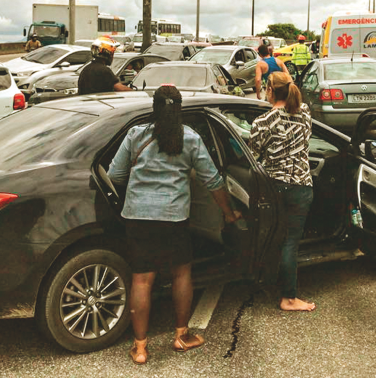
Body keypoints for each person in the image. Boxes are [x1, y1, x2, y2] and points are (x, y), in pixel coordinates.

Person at [109, 85, 241, 365]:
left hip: (138, 217)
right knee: (182, 274)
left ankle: (141, 348)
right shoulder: (190, 138)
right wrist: (229, 214)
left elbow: (115, 174)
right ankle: (182, 336)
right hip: (174, 218)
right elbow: (214, 181)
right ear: (179, 109)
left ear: (154, 108)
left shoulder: (136, 135)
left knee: (142, 280)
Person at [249, 72, 316, 312]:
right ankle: (288, 297)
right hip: (301, 186)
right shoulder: (305, 112)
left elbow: (253, 151)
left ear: (269, 90)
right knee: (290, 242)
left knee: (274, 237)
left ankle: (267, 282)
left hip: (274, 186)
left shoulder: (262, 122)